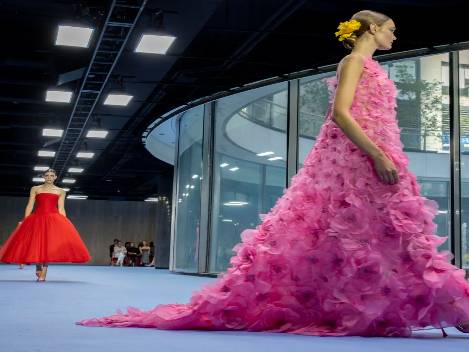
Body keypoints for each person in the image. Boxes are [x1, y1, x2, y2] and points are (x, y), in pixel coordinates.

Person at [78, 10, 469, 336]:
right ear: (371, 29)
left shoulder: (370, 66)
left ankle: (434, 306)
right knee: (396, 229)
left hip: (376, 153)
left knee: (389, 231)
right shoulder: (353, 62)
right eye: (390, 30)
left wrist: (386, 153)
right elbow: (341, 113)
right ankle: (455, 308)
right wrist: (377, 155)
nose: (394, 36)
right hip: (358, 157)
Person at [0, 169, 90, 281]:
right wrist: (25, 220)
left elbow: (61, 208)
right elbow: (30, 205)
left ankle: (44, 272)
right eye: (47, 175)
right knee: (36, 243)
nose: (49, 177)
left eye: (52, 176)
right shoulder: (35, 189)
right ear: (43, 176)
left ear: (55, 177)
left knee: (48, 245)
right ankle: (38, 266)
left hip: (53, 219)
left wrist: (65, 223)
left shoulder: (61, 191)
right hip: (37, 218)